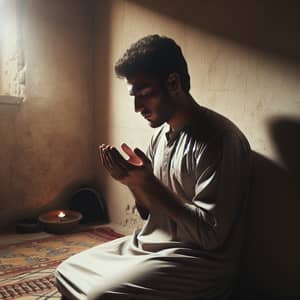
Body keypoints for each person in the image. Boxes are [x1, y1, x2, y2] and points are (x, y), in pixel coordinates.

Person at [55, 34, 252, 300]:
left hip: (197, 262)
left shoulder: (220, 140)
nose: (137, 108)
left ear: (173, 83)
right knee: (66, 271)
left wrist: (149, 182)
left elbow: (211, 236)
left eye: (144, 95)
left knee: (97, 296)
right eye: (133, 97)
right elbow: (149, 213)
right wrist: (133, 182)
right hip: (150, 245)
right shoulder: (160, 136)